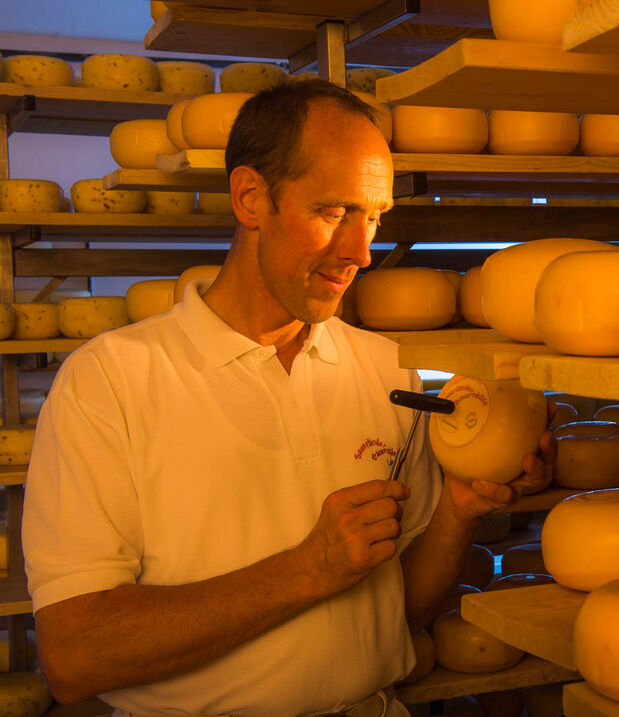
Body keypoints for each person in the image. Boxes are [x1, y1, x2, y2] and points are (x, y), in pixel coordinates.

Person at [22, 80, 553, 716]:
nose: (360, 252)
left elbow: (394, 610)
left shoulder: (389, 372)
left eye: (375, 218)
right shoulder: (111, 381)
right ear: (251, 198)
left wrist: (458, 514)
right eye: (333, 214)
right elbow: (76, 657)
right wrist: (308, 568)